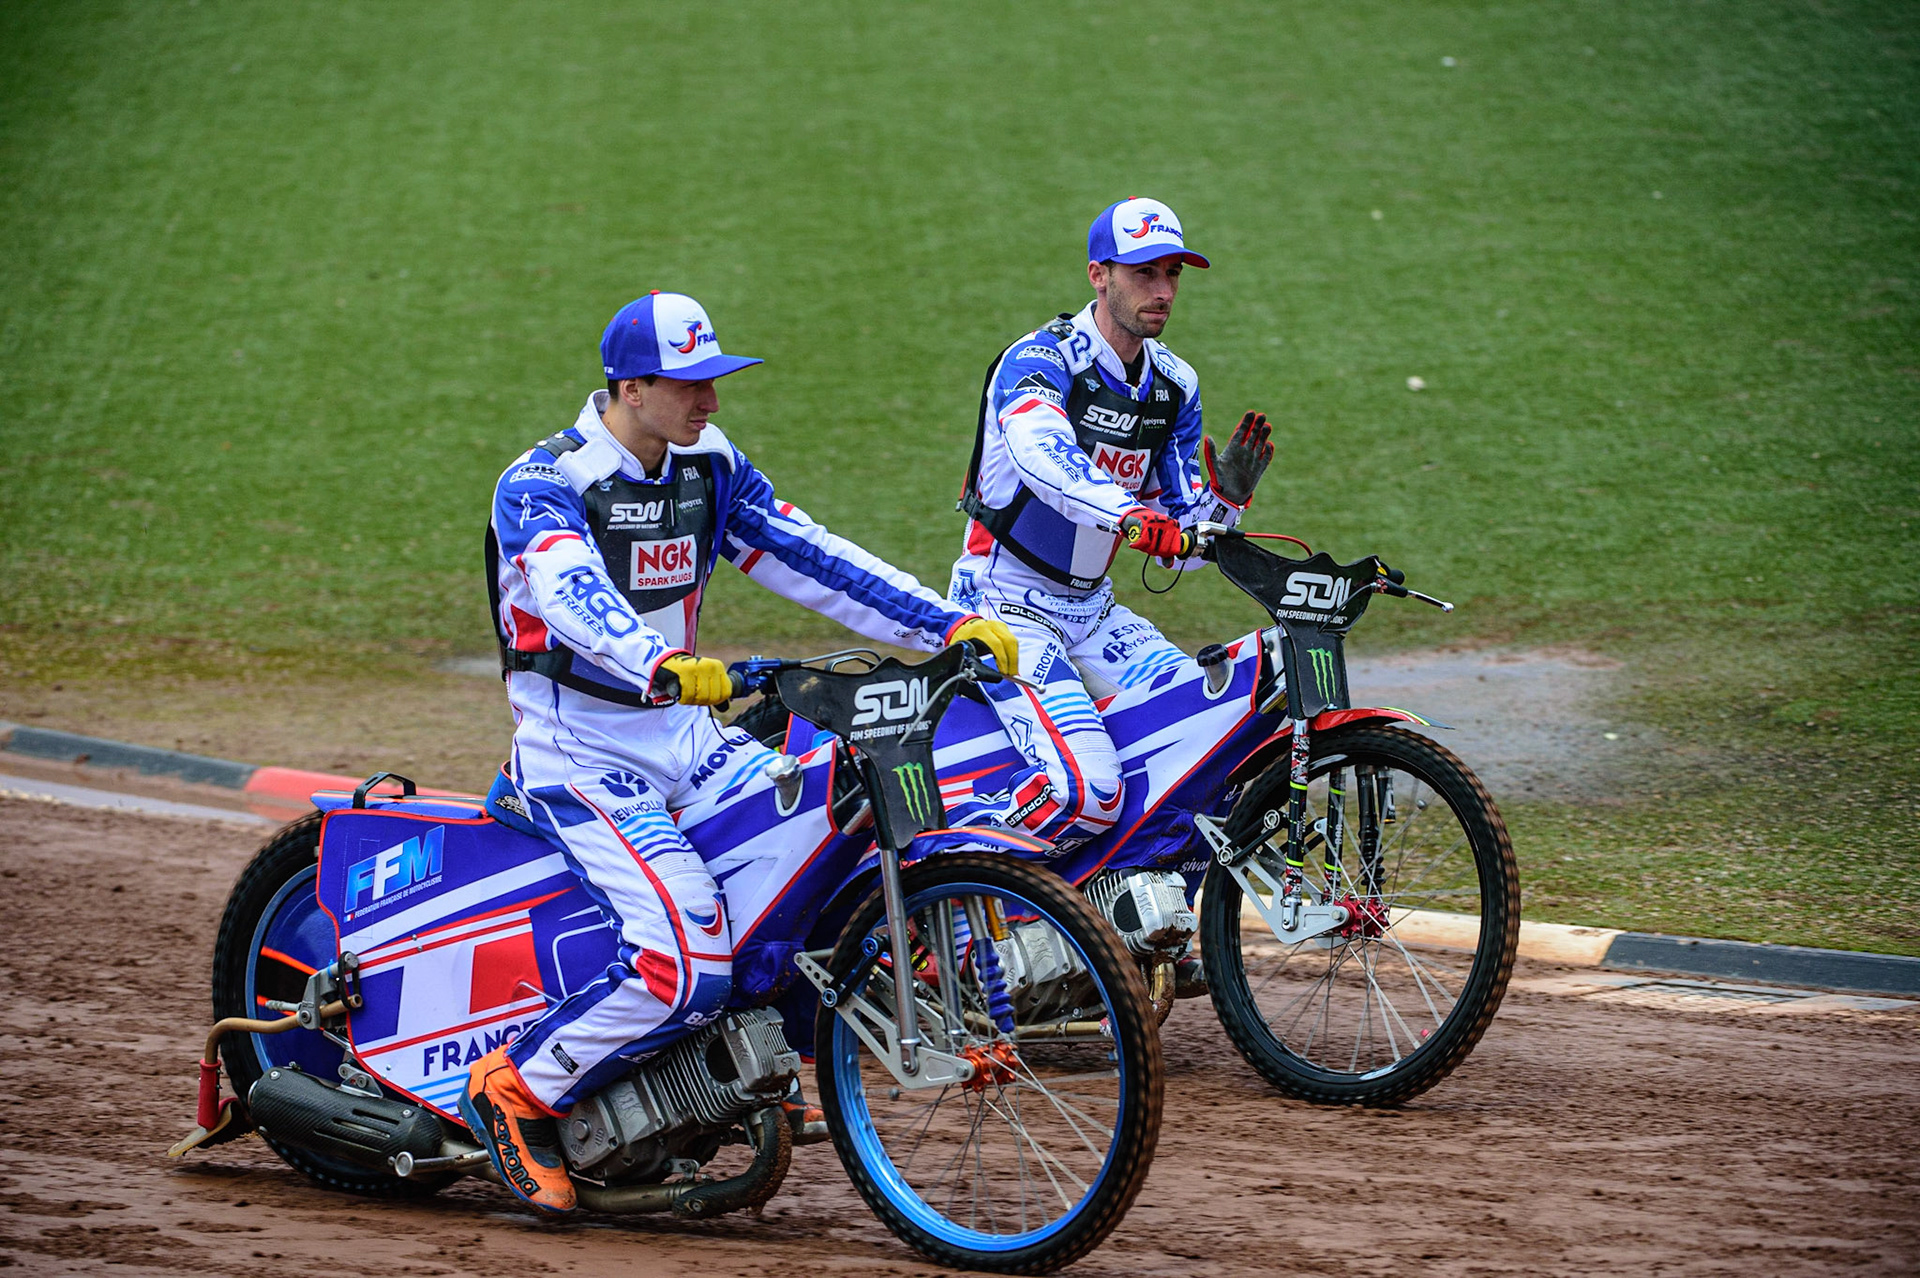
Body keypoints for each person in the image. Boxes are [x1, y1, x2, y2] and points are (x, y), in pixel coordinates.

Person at [470, 290, 1017, 1214]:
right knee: (684, 963)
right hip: (581, 755)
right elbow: (571, 592)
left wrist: (947, 622)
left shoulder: (708, 464)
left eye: (715, 382)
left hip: (689, 739)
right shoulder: (543, 483)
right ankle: (516, 1089)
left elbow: (810, 555)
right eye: (691, 385)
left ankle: (758, 1055)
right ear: (631, 387)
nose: (711, 401)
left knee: (820, 843)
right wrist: (659, 662)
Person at [950, 197, 1272, 851]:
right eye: (1144, 272)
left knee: (1209, 741)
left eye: (1172, 273)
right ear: (1099, 275)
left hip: (1094, 614)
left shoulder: (1174, 385)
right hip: (1003, 609)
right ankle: (940, 868)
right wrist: (1130, 516)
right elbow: (1045, 458)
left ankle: (1138, 903)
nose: (1163, 291)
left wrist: (1225, 503)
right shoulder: (1039, 359)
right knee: (1089, 794)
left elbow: (1180, 543)